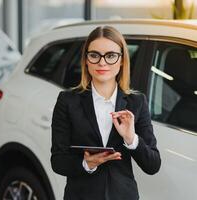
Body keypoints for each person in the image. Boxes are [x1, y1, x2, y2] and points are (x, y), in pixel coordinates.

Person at [51, 26, 161, 200]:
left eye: (110, 56)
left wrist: (131, 139)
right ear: (86, 60)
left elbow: (153, 165)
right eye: (94, 55)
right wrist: (87, 164)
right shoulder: (67, 100)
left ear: (122, 60)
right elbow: (57, 161)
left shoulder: (137, 102)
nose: (102, 63)